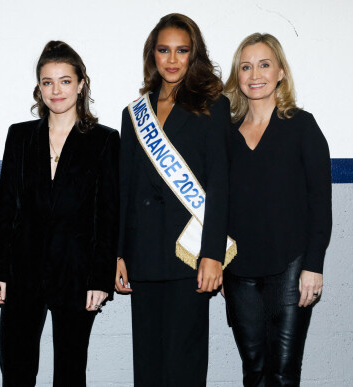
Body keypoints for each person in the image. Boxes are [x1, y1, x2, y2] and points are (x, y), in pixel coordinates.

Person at [0, 40, 119, 387]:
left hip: (77, 274)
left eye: (64, 81)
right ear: (38, 87)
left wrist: (100, 279)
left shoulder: (104, 140)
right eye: (47, 82)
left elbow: (108, 215)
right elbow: (6, 208)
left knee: (71, 372)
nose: (55, 90)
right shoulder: (20, 137)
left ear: (81, 84)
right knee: (15, 369)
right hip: (22, 271)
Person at [116, 13, 234, 386]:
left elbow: (220, 184)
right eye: (163, 50)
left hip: (190, 252)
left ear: (193, 54)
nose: (171, 59)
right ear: (152, 55)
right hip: (144, 255)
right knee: (148, 364)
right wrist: (119, 252)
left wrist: (213, 254)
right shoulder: (134, 113)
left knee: (184, 363)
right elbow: (126, 188)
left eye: (181, 51)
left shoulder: (213, 106)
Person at [223, 33, 331, 386]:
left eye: (264, 65)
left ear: (281, 72)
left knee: (283, 372)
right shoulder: (225, 132)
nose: (255, 74)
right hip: (238, 270)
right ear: (237, 76)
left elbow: (320, 202)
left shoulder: (302, 126)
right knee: (253, 370)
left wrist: (313, 267)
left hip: (290, 266)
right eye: (246, 66)